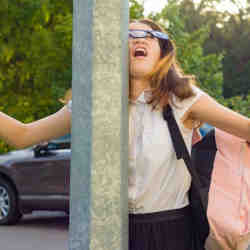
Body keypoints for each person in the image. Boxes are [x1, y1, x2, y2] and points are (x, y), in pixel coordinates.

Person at [128, 19, 250, 250]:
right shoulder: (98, 106)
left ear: (163, 52)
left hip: (173, 232)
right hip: (112, 231)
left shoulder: (182, 100)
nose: (139, 39)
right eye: (129, 35)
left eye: (149, 35)